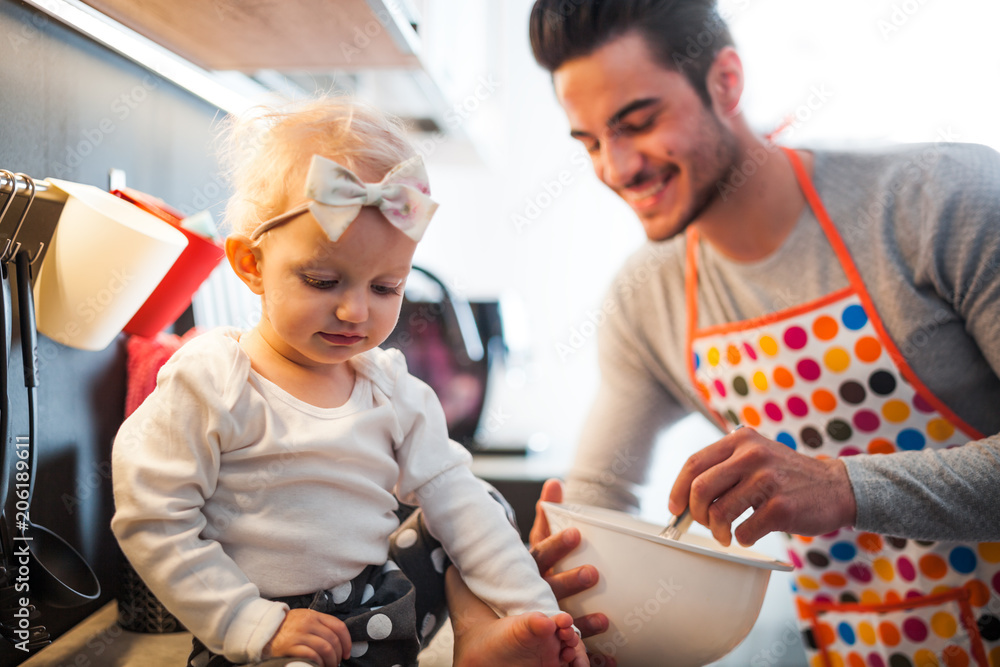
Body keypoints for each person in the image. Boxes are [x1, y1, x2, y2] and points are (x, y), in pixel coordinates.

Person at [526, 1, 1000, 665]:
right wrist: (567, 570)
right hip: (858, 647)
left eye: (640, 123)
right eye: (591, 142)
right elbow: (597, 494)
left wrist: (842, 486)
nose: (617, 166)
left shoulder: (942, 197)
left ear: (726, 81)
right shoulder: (646, 299)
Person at [111, 97, 586, 667]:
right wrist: (253, 624)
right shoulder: (212, 377)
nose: (356, 312)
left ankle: (482, 636)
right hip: (263, 636)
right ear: (251, 263)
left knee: (475, 499)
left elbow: (462, 510)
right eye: (323, 280)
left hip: (381, 614)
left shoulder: (391, 387)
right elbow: (153, 518)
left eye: (386, 288)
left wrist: (540, 616)